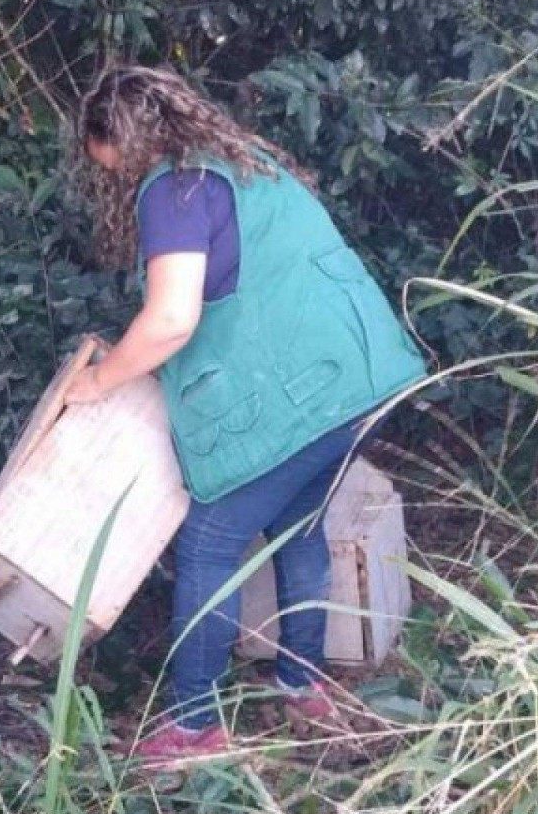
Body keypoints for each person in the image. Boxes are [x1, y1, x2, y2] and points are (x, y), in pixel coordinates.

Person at [64, 66, 425, 769]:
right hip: (360, 377)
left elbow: (171, 320)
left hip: (305, 395)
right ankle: (303, 684)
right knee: (295, 524)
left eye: (98, 156)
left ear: (121, 141)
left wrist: (99, 382)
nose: (99, 172)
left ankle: (194, 722)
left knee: (208, 542)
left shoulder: (174, 188)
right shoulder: (246, 162)